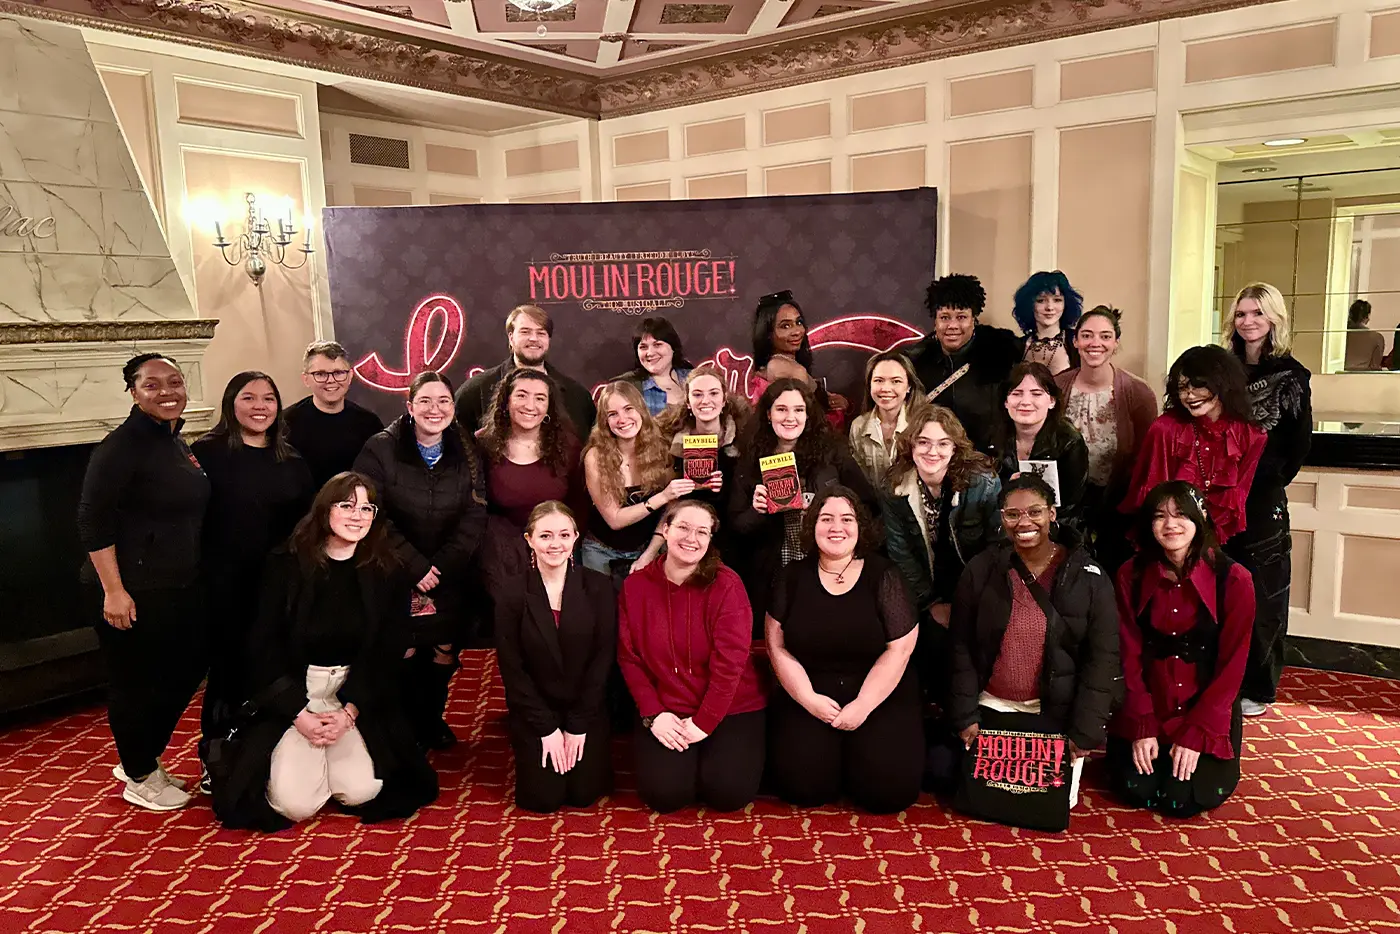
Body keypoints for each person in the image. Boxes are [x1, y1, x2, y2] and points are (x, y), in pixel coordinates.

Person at [212, 473, 437, 830]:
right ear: (324, 510)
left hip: (350, 694)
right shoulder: (285, 564)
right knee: (294, 805)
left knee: (363, 791)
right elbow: (262, 648)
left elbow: (386, 650)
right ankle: (308, 757)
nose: (357, 515)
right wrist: (298, 714)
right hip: (295, 695)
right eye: (347, 505)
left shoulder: (387, 569)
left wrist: (350, 712)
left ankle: (332, 757)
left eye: (367, 507)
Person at [78, 354, 210, 811]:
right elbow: (92, 522)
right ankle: (138, 772)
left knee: (187, 666)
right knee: (136, 682)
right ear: (133, 392)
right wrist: (114, 591)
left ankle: (139, 754)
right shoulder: (121, 446)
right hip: (131, 588)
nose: (167, 391)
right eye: (152, 385)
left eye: (174, 381)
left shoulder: (173, 439)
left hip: (176, 583)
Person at [948, 475, 1120, 812]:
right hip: (991, 708)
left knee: (1045, 804)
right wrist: (965, 717)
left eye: (1035, 512)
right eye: (1012, 514)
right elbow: (961, 647)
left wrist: (1083, 733)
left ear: (1052, 514)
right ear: (1001, 518)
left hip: (1052, 712)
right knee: (953, 779)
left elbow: (1103, 659)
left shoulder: (1088, 576)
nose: (1023, 522)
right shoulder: (981, 569)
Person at [192, 371, 315, 792]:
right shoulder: (205, 455)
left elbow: (307, 527)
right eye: (249, 397)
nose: (260, 406)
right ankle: (216, 753)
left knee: (273, 665)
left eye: (269, 398)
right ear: (231, 403)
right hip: (224, 582)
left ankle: (266, 750)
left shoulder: (293, 461)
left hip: (278, 583)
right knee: (228, 669)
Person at [766, 488, 923, 814]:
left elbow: (900, 648)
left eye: (846, 519)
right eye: (826, 519)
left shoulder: (884, 575)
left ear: (860, 527)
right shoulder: (791, 576)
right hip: (810, 690)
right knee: (803, 788)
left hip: (878, 690)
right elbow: (776, 645)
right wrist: (808, 699)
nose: (836, 527)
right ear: (812, 526)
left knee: (888, 794)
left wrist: (863, 706)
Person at [354, 371, 487, 750]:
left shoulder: (467, 449)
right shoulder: (380, 448)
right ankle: (402, 726)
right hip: (393, 569)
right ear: (409, 407)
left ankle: (431, 720)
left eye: (444, 401)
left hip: (449, 572)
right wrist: (414, 566)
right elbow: (369, 512)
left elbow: (476, 512)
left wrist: (441, 566)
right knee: (405, 648)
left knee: (443, 648)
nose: (435, 409)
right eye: (425, 401)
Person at [1108, 481, 1254, 818]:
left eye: (1180, 515)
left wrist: (1196, 733)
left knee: (1183, 799)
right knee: (1137, 790)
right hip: (1149, 701)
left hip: (1204, 707)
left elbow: (1233, 666)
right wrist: (1141, 724)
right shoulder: (1130, 574)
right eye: (1160, 516)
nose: (1170, 525)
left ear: (1199, 519)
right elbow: (1125, 653)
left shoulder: (1234, 579)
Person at [617, 501, 767, 813]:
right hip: (666, 706)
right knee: (665, 796)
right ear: (666, 530)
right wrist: (653, 714)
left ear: (711, 539)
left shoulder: (727, 585)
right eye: (683, 527)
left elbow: (731, 666)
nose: (691, 538)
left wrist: (705, 722)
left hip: (730, 706)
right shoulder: (635, 586)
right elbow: (629, 658)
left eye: (702, 531)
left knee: (729, 795)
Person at [1221, 283, 1312, 718]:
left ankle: (1259, 686)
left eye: (1257, 313)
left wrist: (1261, 484)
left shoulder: (1292, 376)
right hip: (1218, 497)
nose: (1248, 321)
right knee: (1221, 589)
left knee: (1264, 593)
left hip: (1261, 501)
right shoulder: (1225, 371)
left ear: (1274, 318)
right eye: (1240, 314)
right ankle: (1222, 680)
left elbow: (1296, 446)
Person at [494, 502, 617, 812]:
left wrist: (577, 725)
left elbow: (603, 661)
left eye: (564, 535)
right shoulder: (510, 593)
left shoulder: (600, 587)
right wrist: (547, 728)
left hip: (585, 706)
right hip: (536, 709)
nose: (555, 544)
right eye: (545, 536)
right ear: (529, 540)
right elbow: (512, 669)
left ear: (576, 538)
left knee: (582, 795)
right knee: (543, 799)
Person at [727, 378, 879, 628]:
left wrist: (828, 507)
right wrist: (758, 511)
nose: (790, 417)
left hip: (826, 565)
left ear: (808, 416)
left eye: (799, 410)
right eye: (781, 409)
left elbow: (868, 505)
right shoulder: (750, 460)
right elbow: (736, 526)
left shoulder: (833, 453)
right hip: (773, 572)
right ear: (768, 414)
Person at [882, 406, 1001, 692]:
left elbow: (996, 550)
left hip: (977, 587)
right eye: (923, 442)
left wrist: (967, 605)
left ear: (955, 448)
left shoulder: (981, 481)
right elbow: (901, 556)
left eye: (943, 443)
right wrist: (932, 604)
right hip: (926, 590)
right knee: (929, 643)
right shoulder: (894, 487)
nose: (932, 451)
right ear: (911, 445)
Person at [1122, 346, 1267, 546]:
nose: (1189, 396)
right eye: (1182, 388)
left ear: (1223, 384)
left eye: (1198, 385)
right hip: (1164, 540)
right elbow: (1154, 497)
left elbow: (1236, 500)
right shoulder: (1165, 429)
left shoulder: (1251, 435)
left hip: (1219, 543)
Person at [1053, 306, 1158, 573]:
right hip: (1065, 505)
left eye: (1105, 336)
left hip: (1117, 506)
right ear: (1075, 341)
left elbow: (1146, 458)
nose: (1095, 343)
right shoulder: (1056, 387)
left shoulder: (1138, 393)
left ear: (1115, 343)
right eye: (1087, 335)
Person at [478, 368, 588, 585]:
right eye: (521, 395)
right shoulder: (483, 445)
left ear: (549, 406)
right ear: (506, 401)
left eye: (540, 398)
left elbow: (581, 505)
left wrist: (563, 547)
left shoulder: (569, 446)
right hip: (500, 559)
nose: (530, 405)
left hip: (556, 554)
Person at [581, 381, 691, 580]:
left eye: (628, 409)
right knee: (604, 610)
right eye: (612, 414)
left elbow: (670, 510)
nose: (622, 419)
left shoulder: (661, 448)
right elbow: (614, 520)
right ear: (604, 421)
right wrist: (663, 496)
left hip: (647, 547)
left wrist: (649, 554)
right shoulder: (595, 456)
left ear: (641, 409)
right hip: (600, 552)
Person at [905, 274, 1022, 454]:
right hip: (933, 458)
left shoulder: (1001, 356)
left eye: (961, 317)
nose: (952, 325)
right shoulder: (916, 361)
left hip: (986, 460)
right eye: (944, 317)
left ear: (974, 319)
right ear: (935, 321)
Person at [455, 304, 596, 438]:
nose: (533, 338)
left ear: (549, 339)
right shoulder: (476, 390)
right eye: (525, 332)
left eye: (541, 333)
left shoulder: (577, 396)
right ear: (511, 337)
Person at [990, 363, 1089, 529]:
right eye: (1017, 393)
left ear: (1051, 401)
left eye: (1036, 394)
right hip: (1003, 526)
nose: (1026, 402)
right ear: (1006, 402)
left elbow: (1071, 507)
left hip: (1056, 528)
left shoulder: (1069, 442)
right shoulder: (991, 439)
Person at [284, 340, 385, 488]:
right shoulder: (286, 423)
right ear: (306, 379)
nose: (331, 381)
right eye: (320, 374)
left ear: (350, 376)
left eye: (338, 373)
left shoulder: (369, 424)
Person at [656, 364, 747, 521]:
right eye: (697, 395)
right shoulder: (669, 440)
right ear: (688, 402)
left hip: (731, 524)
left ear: (724, 399)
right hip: (685, 520)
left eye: (713, 393)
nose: (706, 401)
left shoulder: (743, 436)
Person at [747, 290, 849, 419]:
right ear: (767, 334)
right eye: (785, 326)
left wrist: (831, 399)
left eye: (798, 322)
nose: (796, 331)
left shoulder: (777, 364)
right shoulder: (790, 369)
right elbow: (809, 422)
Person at [847, 350, 925, 485]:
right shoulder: (858, 426)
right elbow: (859, 481)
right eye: (879, 380)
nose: (886, 388)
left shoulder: (924, 424)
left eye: (896, 381)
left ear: (909, 387)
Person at [617, 317, 693, 416]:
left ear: (673, 347)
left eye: (657, 345)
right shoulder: (626, 386)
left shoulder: (694, 378)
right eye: (643, 347)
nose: (650, 353)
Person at [1013, 270, 1083, 374]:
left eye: (1057, 300)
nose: (1050, 307)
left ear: (1066, 304)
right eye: (1041, 300)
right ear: (1029, 305)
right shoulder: (1016, 347)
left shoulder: (1078, 342)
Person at [1344, 299, 1384, 371]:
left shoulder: (1339, 334)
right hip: (1362, 377)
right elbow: (1374, 367)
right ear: (1367, 317)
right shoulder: (1377, 338)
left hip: (1337, 375)